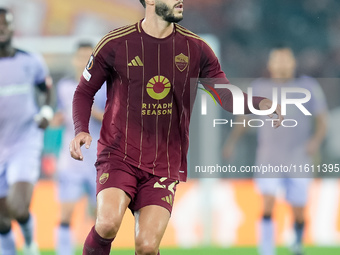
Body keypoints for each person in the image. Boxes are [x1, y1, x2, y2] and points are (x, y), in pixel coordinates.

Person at [69, 1, 283, 254]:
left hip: (164, 162)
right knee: (106, 224)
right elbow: (84, 91)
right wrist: (81, 128)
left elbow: (226, 97)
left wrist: (261, 104)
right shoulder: (116, 43)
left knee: (147, 246)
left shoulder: (197, 49)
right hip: (119, 154)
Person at [223, 46, 328, 255]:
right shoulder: (259, 87)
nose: (281, 64)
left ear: (293, 62)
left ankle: (297, 245)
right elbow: (244, 119)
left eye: (285, 59)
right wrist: (231, 142)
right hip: (269, 157)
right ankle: (267, 250)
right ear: (270, 65)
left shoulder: (308, 86)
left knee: (298, 209)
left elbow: (322, 119)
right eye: (277, 60)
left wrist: (315, 141)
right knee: (268, 202)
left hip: (299, 157)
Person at [0, 7, 53, 255]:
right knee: (1, 222)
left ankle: (31, 243)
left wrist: (46, 111)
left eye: (5, 23)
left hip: (24, 141)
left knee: (18, 208)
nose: (1, 28)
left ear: (12, 28)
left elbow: (44, 89)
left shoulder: (30, 61)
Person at [51, 42, 106, 255]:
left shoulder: (103, 87)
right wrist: (55, 119)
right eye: (80, 56)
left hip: (98, 159)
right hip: (71, 159)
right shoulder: (64, 87)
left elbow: (112, 118)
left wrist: (90, 109)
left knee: (100, 217)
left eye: (88, 57)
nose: (84, 61)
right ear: (74, 59)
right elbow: (61, 114)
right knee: (66, 212)